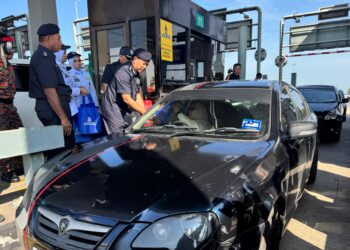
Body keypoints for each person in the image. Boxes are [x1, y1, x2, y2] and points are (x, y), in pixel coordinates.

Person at [29, 23, 74, 159]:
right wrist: (63, 118)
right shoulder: (43, 57)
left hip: (53, 108)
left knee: (64, 148)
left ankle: (64, 179)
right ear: (48, 38)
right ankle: (61, 180)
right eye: (58, 38)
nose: (61, 42)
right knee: (62, 152)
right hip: (52, 110)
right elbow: (49, 90)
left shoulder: (47, 56)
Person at [101, 48, 150, 134]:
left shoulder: (136, 72)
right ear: (135, 59)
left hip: (123, 107)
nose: (145, 67)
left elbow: (138, 94)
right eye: (144, 64)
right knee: (118, 135)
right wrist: (146, 114)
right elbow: (126, 98)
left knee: (133, 128)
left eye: (147, 65)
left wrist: (143, 112)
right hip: (112, 107)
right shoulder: (123, 71)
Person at [0, 34, 24, 183]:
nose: (12, 50)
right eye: (9, 46)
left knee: (18, 134)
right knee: (4, 139)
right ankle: (6, 171)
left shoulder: (8, 64)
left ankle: (17, 166)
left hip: (10, 105)